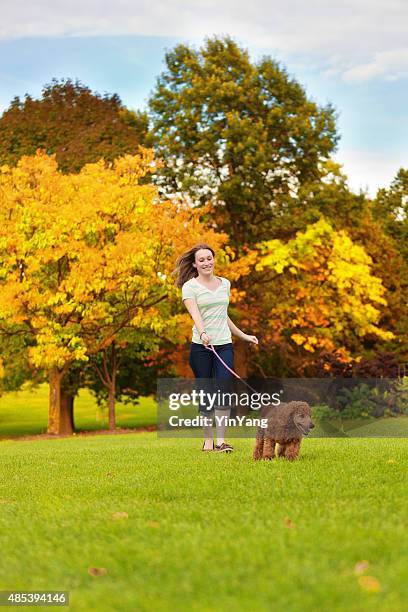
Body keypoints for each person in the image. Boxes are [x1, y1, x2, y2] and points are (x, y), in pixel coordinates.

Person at [173, 243, 258, 453]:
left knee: (223, 391)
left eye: (209, 258)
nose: (206, 263)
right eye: (201, 260)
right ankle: (208, 441)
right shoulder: (190, 287)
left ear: (214, 259)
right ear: (194, 264)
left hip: (224, 345)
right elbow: (196, 315)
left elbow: (223, 316)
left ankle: (221, 441)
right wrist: (202, 334)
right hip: (201, 347)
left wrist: (244, 335)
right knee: (206, 394)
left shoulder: (225, 284)